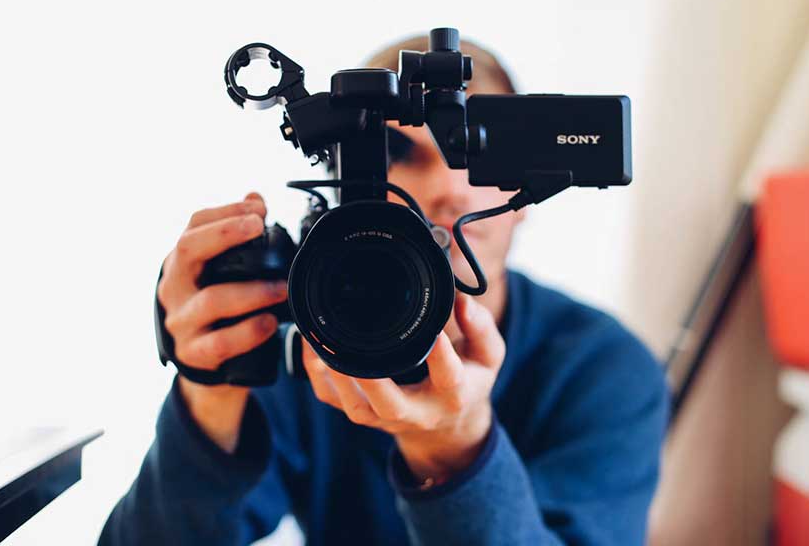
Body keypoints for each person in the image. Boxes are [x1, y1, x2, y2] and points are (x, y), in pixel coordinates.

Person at [98, 35, 669, 546]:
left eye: (477, 151)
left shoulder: (604, 368)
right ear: (351, 183)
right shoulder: (298, 339)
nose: (448, 187)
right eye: (399, 153)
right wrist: (210, 392)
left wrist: (458, 452)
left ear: (528, 196)